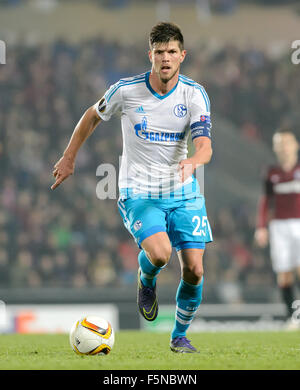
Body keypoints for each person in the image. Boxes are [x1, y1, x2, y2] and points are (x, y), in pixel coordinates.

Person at [51, 22, 213, 352]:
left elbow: (205, 146)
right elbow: (92, 116)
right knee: (160, 253)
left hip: (183, 192)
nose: (165, 58)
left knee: (195, 270)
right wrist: (69, 157)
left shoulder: (193, 94)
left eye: (171, 52)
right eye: (159, 52)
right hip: (139, 192)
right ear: (149, 55)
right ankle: (147, 279)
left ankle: (179, 336)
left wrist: (193, 162)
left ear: (182, 55)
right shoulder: (126, 90)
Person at [255, 129, 300, 330]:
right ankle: (294, 317)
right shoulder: (271, 173)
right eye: (280, 144)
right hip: (279, 226)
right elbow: (265, 201)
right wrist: (261, 227)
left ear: (295, 145)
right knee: (284, 273)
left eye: (287, 143)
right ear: (275, 148)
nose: (284, 147)